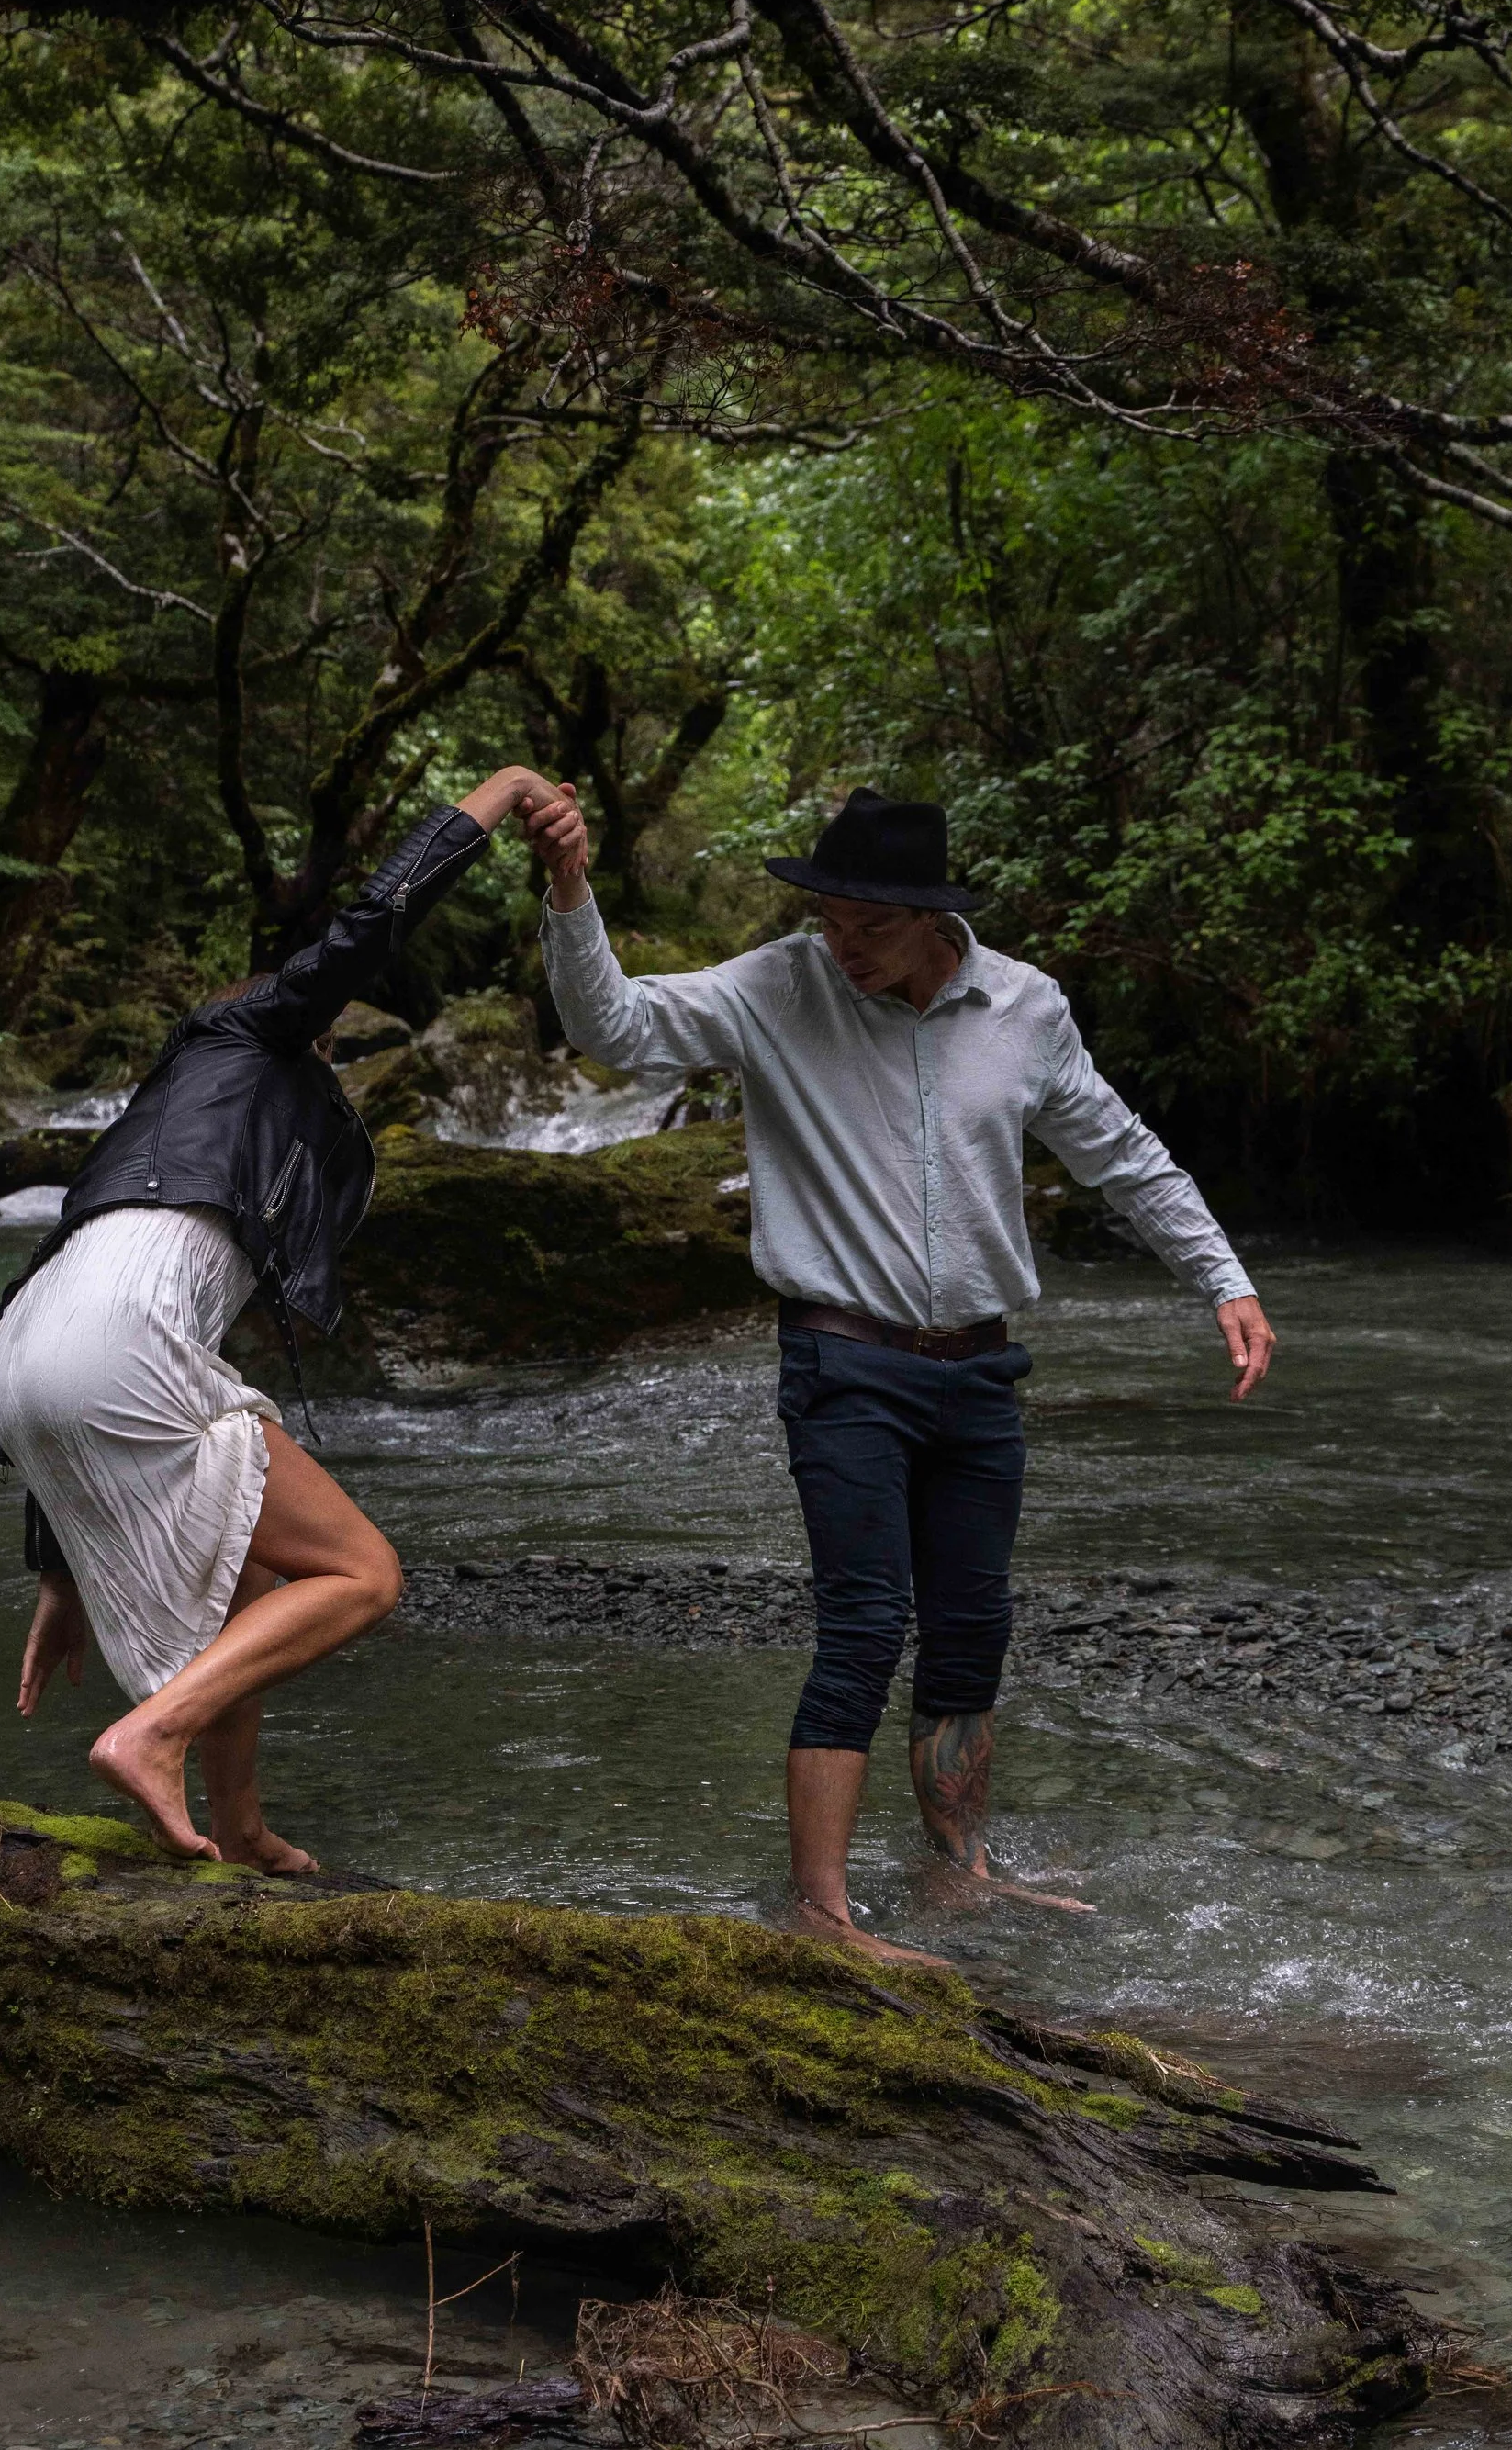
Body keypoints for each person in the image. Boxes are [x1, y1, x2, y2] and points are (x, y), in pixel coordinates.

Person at [521, 779, 1275, 1967]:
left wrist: (1221, 1277)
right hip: (844, 1360)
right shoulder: (780, 986)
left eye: (867, 925)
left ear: (936, 921)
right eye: (827, 918)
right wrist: (570, 889)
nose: (842, 943)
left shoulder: (1025, 1009)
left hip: (980, 1369)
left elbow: (1120, 1152)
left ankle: (958, 1871)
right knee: (866, 1624)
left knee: (972, 1626)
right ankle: (823, 1911)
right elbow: (614, 1028)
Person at [0, 766, 545, 1863]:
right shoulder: (238, 1039)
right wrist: (502, 794)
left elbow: (62, 1344)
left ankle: (237, 1832)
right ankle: (153, 1734)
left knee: (239, 1571)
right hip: (111, 1339)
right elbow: (372, 923)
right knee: (360, 1573)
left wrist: (59, 1572)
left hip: (23, 1353)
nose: (322, 1049)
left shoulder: (145, 1131)